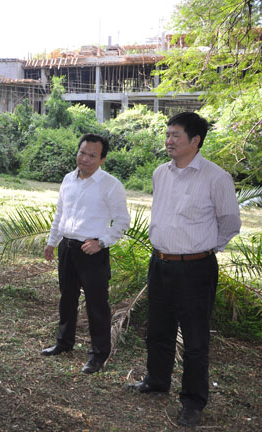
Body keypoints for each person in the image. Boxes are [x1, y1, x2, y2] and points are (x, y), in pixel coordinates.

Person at [127, 112, 241, 428]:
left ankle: (192, 401)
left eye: (175, 135)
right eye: (167, 134)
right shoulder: (160, 173)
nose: (169, 140)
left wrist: (203, 250)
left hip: (196, 269)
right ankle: (156, 381)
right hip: (159, 263)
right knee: (158, 329)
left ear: (195, 140)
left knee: (195, 339)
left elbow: (230, 223)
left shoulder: (216, 178)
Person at [42, 133, 130, 374]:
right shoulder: (68, 179)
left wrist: (101, 242)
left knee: (96, 304)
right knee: (67, 298)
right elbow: (60, 213)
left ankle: (98, 354)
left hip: (92, 252)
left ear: (102, 159)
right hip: (67, 248)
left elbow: (122, 221)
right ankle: (64, 342)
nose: (85, 159)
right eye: (82, 152)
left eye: (92, 155)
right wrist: (52, 242)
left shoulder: (110, 185)